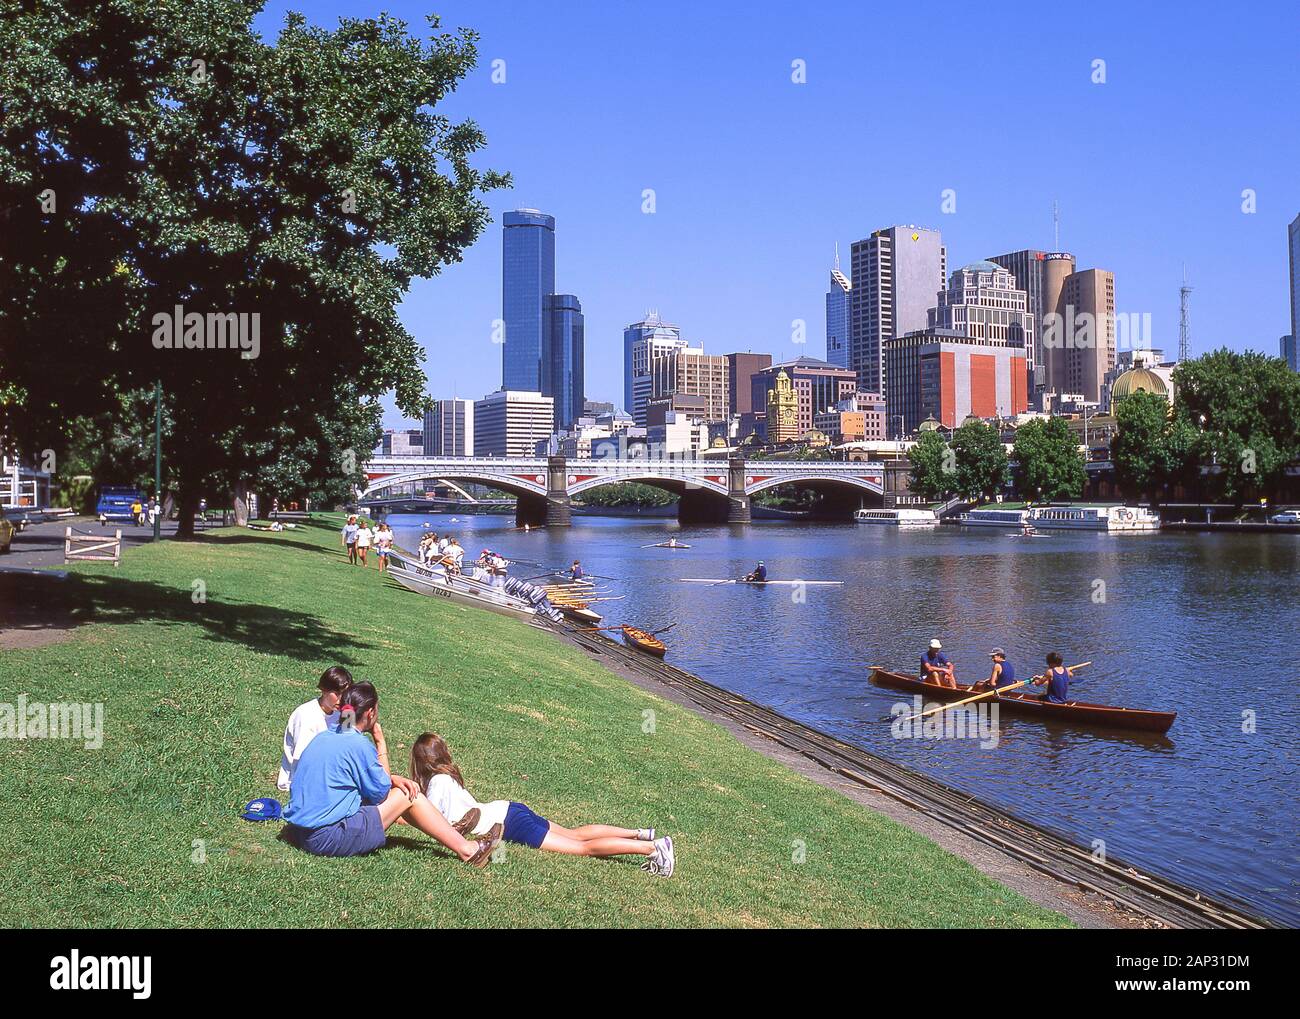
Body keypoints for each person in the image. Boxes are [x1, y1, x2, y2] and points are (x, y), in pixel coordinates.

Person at [283, 683, 500, 864]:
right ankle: (469, 850)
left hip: (299, 831)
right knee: (408, 794)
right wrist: (380, 742)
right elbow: (382, 793)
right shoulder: (358, 745)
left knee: (402, 790)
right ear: (370, 712)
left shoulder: (325, 736)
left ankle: (449, 832)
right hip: (326, 838)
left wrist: (393, 778)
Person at [409, 732, 674, 877]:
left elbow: (428, 817)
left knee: (581, 848)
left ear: (419, 762)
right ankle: (640, 833)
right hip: (510, 809)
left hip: (510, 823)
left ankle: (652, 848)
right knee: (575, 834)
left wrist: (402, 811)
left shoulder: (437, 783)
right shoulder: (449, 776)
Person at [278, 666, 352, 791]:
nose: (342, 699)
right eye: (337, 694)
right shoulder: (306, 715)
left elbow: (351, 744)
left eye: (345, 694)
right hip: (303, 778)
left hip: (331, 773)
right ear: (324, 690)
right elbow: (301, 759)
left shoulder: (344, 712)